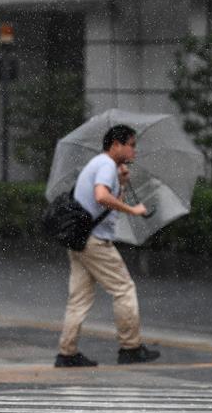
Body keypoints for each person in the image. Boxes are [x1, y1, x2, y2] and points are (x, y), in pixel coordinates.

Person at [55, 124, 161, 368]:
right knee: (124, 289)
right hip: (95, 242)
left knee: (79, 299)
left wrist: (122, 183)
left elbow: (105, 204)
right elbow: (101, 197)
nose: (134, 150)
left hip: (80, 239)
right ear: (116, 145)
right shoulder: (105, 165)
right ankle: (130, 348)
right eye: (131, 145)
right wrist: (134, 209)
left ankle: (66, 353)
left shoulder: (103, 166)